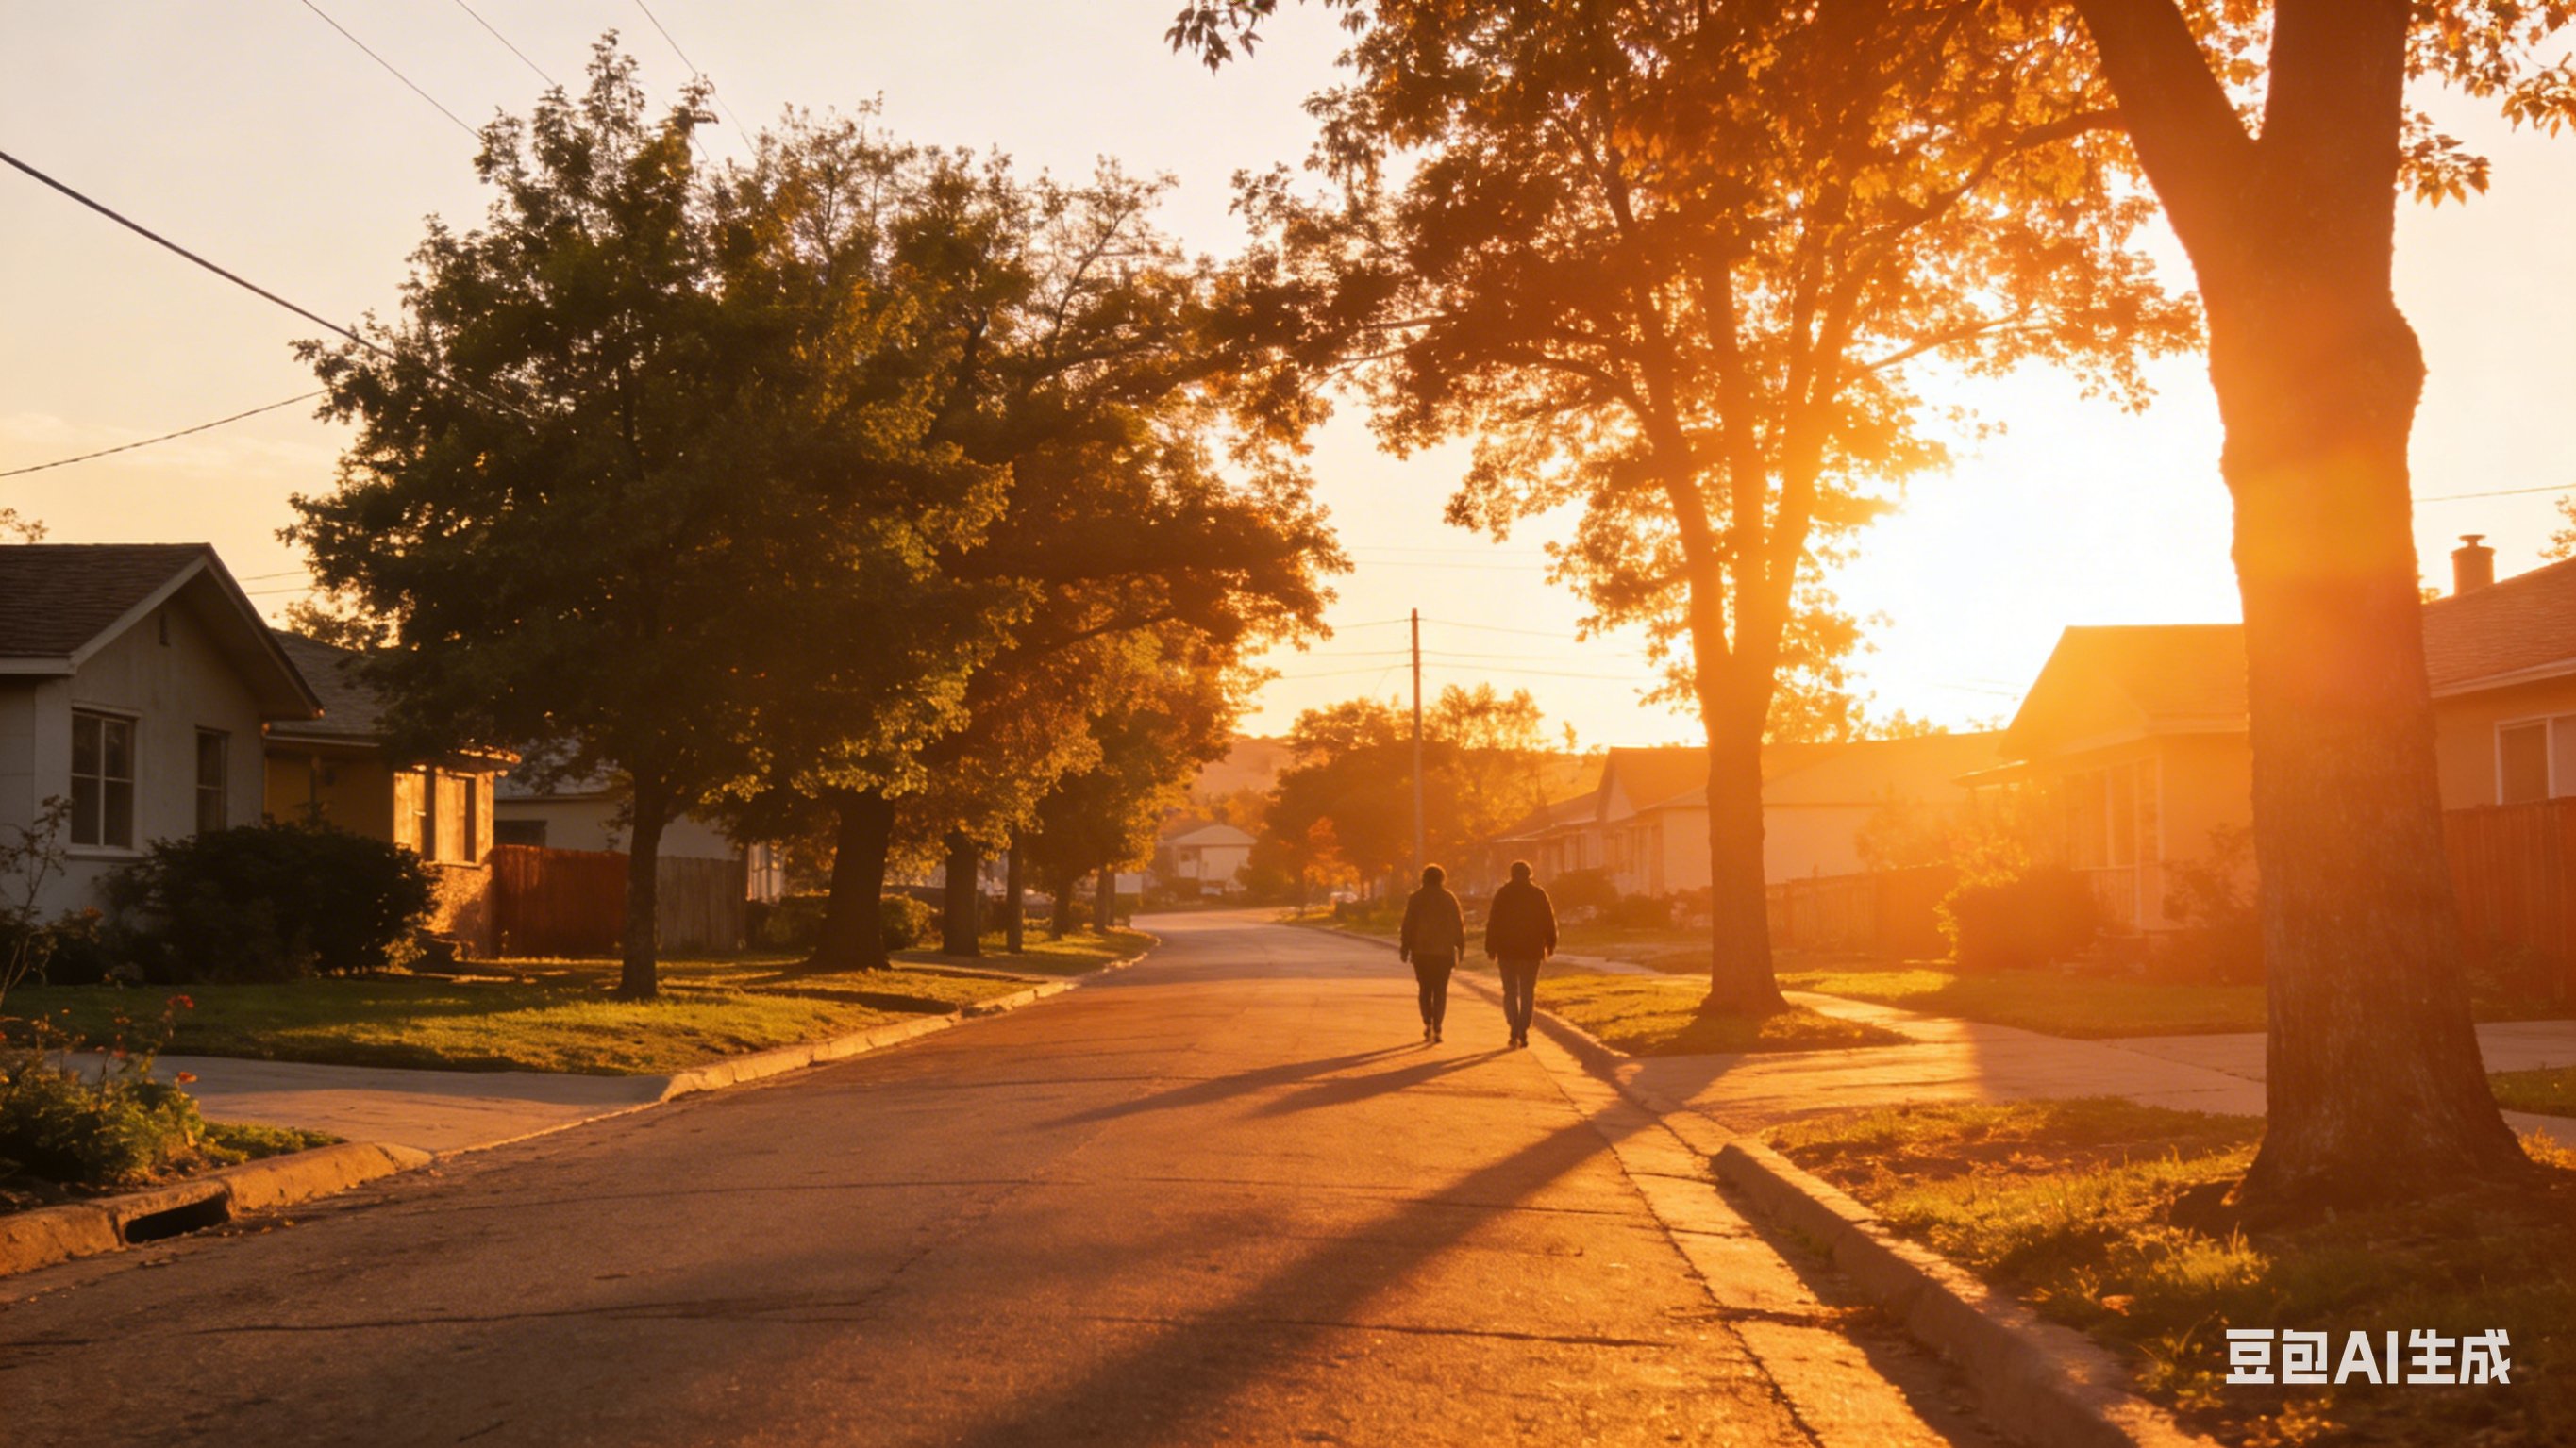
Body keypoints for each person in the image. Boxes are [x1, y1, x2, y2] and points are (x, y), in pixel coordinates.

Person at [1482, 859, 1557, 1049]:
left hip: (1507, 950)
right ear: (1529, 874)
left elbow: (1493, 922)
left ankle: (1513, 1026)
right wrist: (1550, 943)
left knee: (1510, 991)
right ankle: (1523, 1028)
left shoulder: (1503, 894)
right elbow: (1549, 921)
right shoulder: (1538, 894)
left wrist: (1490, 947)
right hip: (1531, 951)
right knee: (1527, 991)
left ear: (1512, 874)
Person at [1398, 864, 1466, 1043]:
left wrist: (1405, 947)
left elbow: (1408, 925)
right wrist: (1461, 946)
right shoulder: (1449, 898)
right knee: (1441, 989)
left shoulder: (1416, 898)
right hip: (1444, 952)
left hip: (1421, 951)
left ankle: (1427, 1021)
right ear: (1442, 878)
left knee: (1425, 988)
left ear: (1424, 878)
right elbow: (1459, 925)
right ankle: (1438, 1025)